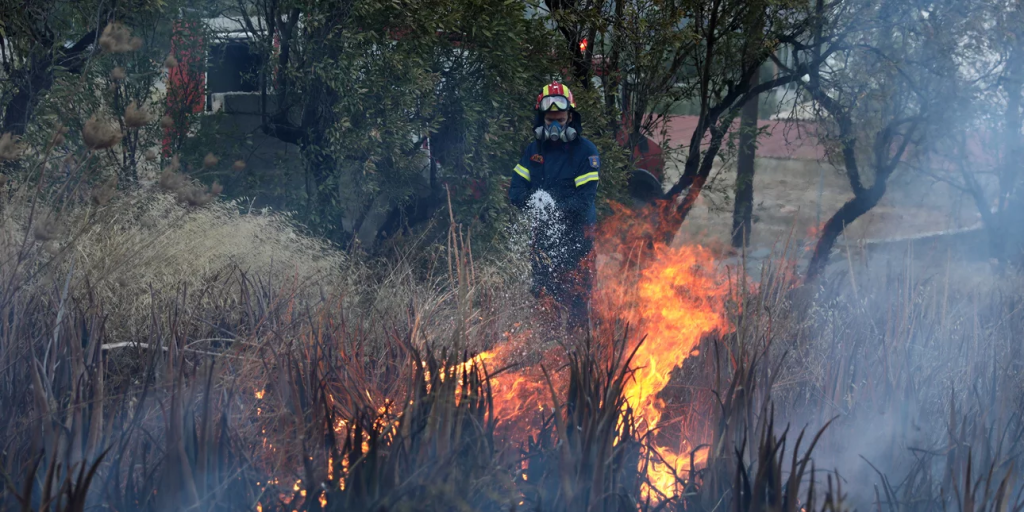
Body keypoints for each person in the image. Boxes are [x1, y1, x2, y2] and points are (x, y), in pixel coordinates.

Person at [508, 82, 600, 334]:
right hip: (544, 242)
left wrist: (551, 208)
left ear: (570, 117)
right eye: (550, 120)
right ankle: (544, 357)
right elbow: (515, 194)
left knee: (578, 306)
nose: (556, 126)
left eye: (560, 119)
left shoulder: (586, 152)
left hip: (578, 239)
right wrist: (536, 204)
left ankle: (578, 357)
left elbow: (583, 203)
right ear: (542, 119)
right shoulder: (533, 151)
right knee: (545, 306)